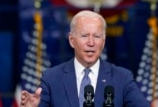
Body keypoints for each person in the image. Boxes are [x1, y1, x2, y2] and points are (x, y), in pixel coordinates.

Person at [21, 10, 150, 107]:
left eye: (97, 36)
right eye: (84, 36)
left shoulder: (122, 78)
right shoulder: (51, 78)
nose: (91, 42)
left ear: (103, 42)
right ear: (72, 40)